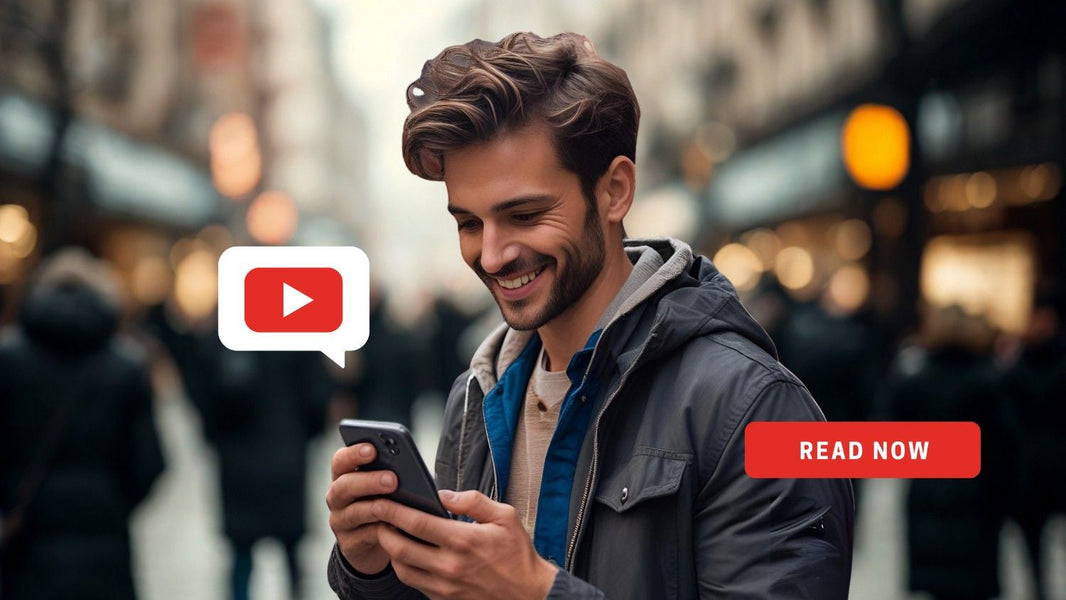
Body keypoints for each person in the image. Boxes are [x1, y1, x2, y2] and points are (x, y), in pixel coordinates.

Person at [326, 32, 854, 598]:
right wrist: (374, 567)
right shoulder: (475, 399)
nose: (493, 254)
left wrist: (537, 591)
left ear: (615, 191)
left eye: (525, 215)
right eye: (469, 223)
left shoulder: (754, 407)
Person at [0, 248, 165, 599]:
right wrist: (113, 501)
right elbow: (150, 461)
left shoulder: (8, 359)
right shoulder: (126, 364)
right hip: (103, 534)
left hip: (29, 531)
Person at [182, 333, 333, 600]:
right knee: (291, 555)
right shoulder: (297, 334)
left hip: (238, 461)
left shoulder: (220, 335)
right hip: (286, 456)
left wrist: (217, 438)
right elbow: (317, 398)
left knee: (241, 557)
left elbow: (200, 393)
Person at [878, 305, 1010, 600]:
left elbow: (893, 424)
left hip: (930, 494)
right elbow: (1005, 442)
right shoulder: (989, 380)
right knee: (971, 582)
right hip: (977, 495)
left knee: (937, 583)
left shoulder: (916, 377)